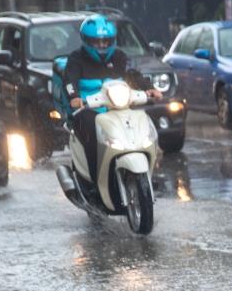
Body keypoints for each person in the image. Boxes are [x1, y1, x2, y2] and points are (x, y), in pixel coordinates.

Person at [63, 14, 161, 178]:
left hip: (117, 109)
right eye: (96, 42)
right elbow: (69, 80)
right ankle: (94, 177)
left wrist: (150, 89)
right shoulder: (76, 59)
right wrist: (74, 97)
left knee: (142, 123)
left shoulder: (119, 57)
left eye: (106, 41)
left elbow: (133, 74)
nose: (102, 45)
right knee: (89, 128)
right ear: (86, 41)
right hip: (89, 111)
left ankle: (148, 173)